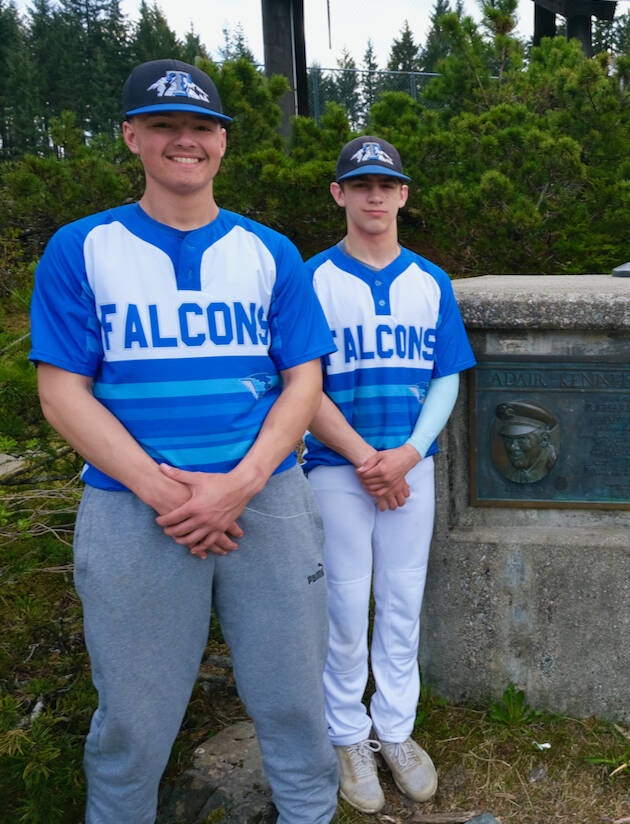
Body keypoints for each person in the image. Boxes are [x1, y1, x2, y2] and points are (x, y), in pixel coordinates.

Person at [29, 59, 338, 823]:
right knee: (132, 722)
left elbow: (304, 382)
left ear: (223, 143)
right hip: (135, 509)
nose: (184, 141)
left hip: (265, 501)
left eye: (201, 126)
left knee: (296, 702)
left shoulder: (270, 251)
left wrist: (239, 482)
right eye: (164, 125)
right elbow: (61, 390)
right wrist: (164, 490)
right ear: (132, 135)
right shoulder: (82, 248)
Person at [303, 136, 476, 813]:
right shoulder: (313, 278)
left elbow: (447, 377)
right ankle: (347, 735)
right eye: (360, 183)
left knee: (401, 603)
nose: (374, 195)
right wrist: (364, 460)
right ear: (339, 193)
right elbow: (302, 385)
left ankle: (395, 731)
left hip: (410, 467)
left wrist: (407, 453)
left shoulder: (428, 281)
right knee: (344, 606)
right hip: (336, 468)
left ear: (403, 195)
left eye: (386, 184)